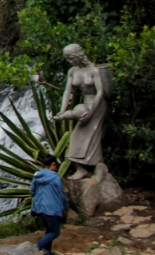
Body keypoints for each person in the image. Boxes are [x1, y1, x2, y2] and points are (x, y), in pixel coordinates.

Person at [53, 44, 109, 179]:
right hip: (84, 104)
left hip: (97, 105)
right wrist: (62, 110)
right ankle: (81, 168)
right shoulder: (72, 71)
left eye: (72, 58)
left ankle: (98, 167)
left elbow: (100, 92)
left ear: (79, 55)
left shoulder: (93, 71)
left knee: (92, 133)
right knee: (76, 136)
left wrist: (92, 112)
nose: (71, 62)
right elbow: (68, 91)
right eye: (68, 59)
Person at [30, 154, 69, 255]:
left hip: (39, 208)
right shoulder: (56, 179)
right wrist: (66, 207)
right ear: (53, 164)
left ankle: (47, 252)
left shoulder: (37, 176)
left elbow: (32, 192)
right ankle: (37, 246)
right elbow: (62, 194)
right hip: (52, 209)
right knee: (55, 232)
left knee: (49, 229)